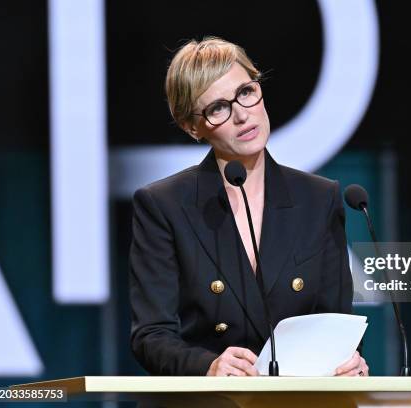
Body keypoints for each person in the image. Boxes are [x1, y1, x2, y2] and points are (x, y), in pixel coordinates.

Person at [129, 37, 369, 377]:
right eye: (217, 109)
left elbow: (335, 322)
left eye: (245, 92)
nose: (242, 115)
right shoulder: (163, 206)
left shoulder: (319, 199)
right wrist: (208, 366)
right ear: (192, 127)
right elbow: (150, 336)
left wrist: (348, 363)